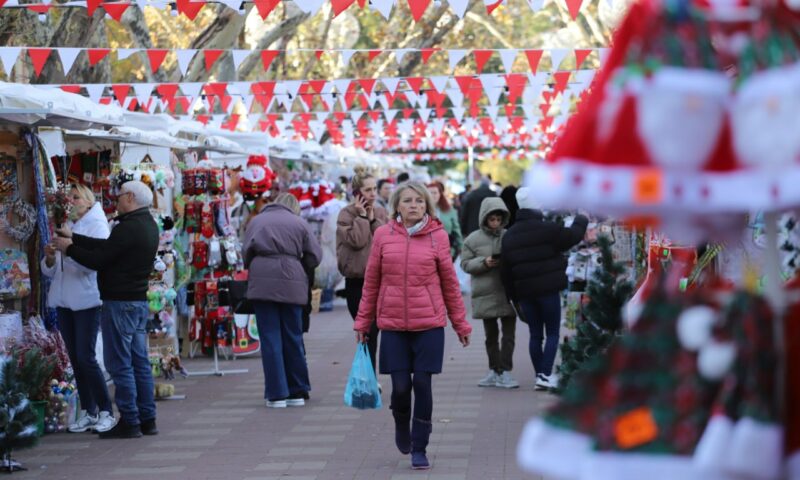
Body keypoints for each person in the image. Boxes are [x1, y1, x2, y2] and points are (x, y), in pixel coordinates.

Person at [355, 182, 472, 471]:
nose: (413, 206)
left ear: (427, 206)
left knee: (422, 383)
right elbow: (371, 282)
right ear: (397, 205)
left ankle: (420, 446)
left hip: (429, 324)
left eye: (419, 201)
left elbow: (449, 284)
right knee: (400, 386)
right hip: (392, 324)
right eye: (407, 201)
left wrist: (460, 323)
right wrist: (362, 321)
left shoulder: (437, 237)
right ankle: (400, 422)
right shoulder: (383, 235)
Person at [53, 180, 159, 439]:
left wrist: (70, 249)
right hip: (136, 301)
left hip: (120, 302)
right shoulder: (147, 225)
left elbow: (99, 259)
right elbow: (106, 248)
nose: (117, 199)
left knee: (120, 364)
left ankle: (130, 421)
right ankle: (147, 419)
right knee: (139, 362)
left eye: (120, 196)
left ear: (131, 198)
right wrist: (74, 237)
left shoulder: (128, 228)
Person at [42, 183, 115, 433]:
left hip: (86, 300)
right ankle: (89, 410)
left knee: (86, 356)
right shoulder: (67, 225)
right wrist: (50, 258)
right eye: (68, 198)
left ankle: (106, 409)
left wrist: (69, 250)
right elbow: (53, 271)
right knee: (75, 358)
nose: (71, 202)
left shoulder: (97, 226)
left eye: (76, 197)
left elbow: (94, 265)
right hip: (63, 300)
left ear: (87, 200)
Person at [500, 188, 588, 390]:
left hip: (524, 294)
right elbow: (572, 236)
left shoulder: (509, 236)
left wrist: (513, 298)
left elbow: (504, 272)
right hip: (548, 291)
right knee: (553, 333)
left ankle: (540, 374)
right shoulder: (547, 229)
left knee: (535, 334)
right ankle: (545, 375)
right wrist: (581, 218)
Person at [243, 192, 322, 408]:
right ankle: (297, 390)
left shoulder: (256, 221)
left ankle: (277, 394)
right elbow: (315, 256)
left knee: (270, 339)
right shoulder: (300, 223)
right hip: (292, 281)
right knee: (293, 336)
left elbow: (246, 252)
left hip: (262, 282)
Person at [461, 197, 519, 389]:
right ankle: (494, 370)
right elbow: (465, 264)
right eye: (491, 219)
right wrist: (483, 263)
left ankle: (505, 371)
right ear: (484, 218)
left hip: (508, 292)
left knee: (509, 336)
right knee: (491, 336)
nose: (495, 223)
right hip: (485, 293)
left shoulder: (510, 235)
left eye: (498, 219)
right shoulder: (472, 239)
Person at [336, 168, 388, 372]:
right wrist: (362, 217)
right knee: (365, 330)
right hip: (356, 281)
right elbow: (356, 241)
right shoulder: (346, 214)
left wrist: (374, 219)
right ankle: (368, 375)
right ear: (356, 193)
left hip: (380, 280)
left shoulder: (382, 212)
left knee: (375, 330)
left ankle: (370, 375)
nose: (373, 193)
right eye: (368, 190)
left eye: (374, 188)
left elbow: (385, 241)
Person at [426, 181, 462, 262]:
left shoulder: (450, 210)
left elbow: (456, 230)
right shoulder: (421, 210)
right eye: (430, 193)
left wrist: (461, 247)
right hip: (426, 251)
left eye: (435, 193)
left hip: (446, 251)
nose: (432, 195)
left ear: (440, 194)